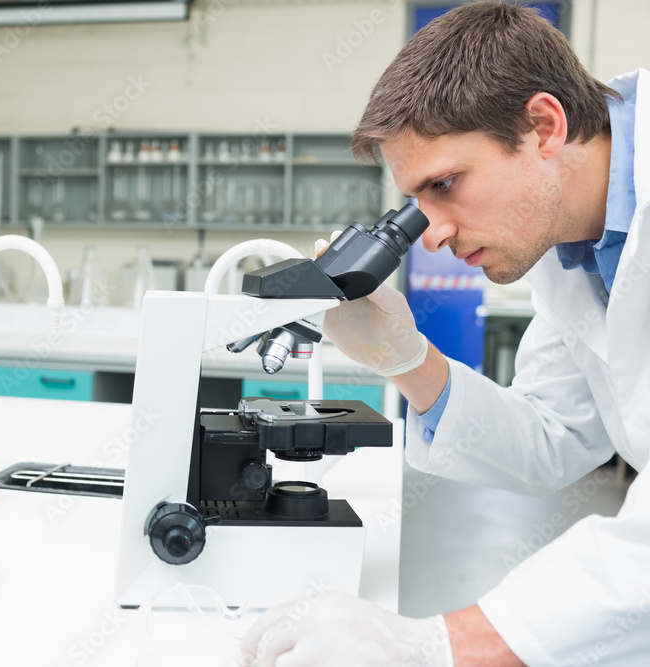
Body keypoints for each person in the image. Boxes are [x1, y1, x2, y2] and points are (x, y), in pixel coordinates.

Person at [239, 2, 650, 666]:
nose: (430, 234)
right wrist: (406, 358)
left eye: (446, 183)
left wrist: (438, 644)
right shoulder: (574, 247)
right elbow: (554, 436)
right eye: (416, 203)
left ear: (544, 126)